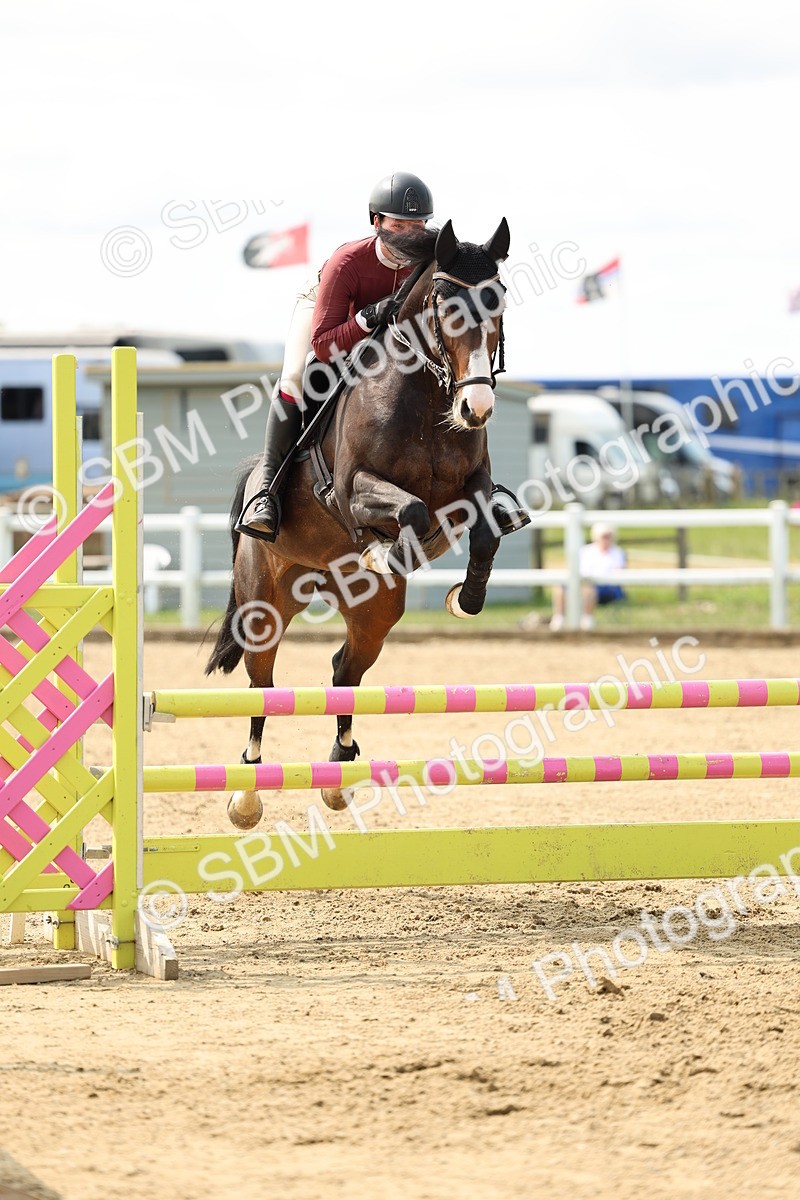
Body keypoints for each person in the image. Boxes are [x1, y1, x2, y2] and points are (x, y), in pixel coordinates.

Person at [236, 171, 530, 543]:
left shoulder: (433, 262)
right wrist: (366, 318)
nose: (409, 233)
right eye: (399, 224)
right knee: (295, 377)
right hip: (332, 315)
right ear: (376, 222)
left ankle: (486, 487)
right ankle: (268, 492)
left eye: (418, 224)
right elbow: (326, 345)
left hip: (390, 334)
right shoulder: (348, 263)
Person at [550, 521, 627, 631]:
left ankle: (587, 619)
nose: (606, 539)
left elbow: (618, 573)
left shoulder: (617, 552)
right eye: (604, 536)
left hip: (607, 588)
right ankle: (559, 618)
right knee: (561, 585)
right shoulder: (586, 551)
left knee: (588, 587)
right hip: (584, 584)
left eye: (609, 536)